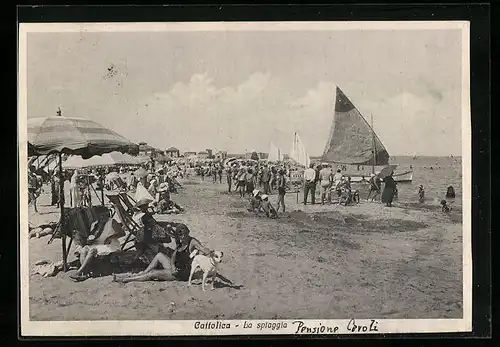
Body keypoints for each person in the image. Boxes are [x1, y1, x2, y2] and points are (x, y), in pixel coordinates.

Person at [113, 224, 214, 283]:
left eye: (185, 233)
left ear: (188, 232)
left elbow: (203, 249)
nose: (183, 236)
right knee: (159, 255)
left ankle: (125, 280)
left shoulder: (192, 242)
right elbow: (174, 255)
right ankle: (143, 273)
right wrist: (173, 265)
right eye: (181, 234)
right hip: (175, 267)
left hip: (181, 273)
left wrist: (210, 254)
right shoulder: (180, 242)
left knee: (153, 274)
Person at [69, 214, 128, 282]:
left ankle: (79, 272)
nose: (102, 217)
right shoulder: (95, 224)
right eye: (100, 216)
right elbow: (93, 236)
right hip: (98, 244)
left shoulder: (112, 222)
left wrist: (110, 237)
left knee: (92, 250)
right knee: (84, 249)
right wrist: (89, 240)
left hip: (110, 245)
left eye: (103, 215)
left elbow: (122, 233)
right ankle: (85, 273)